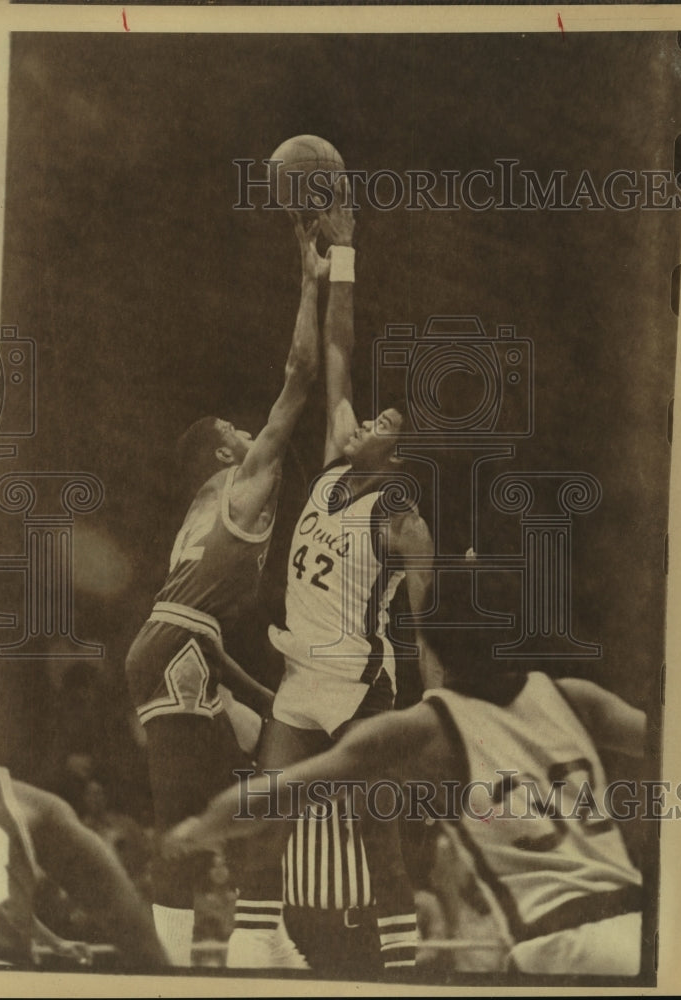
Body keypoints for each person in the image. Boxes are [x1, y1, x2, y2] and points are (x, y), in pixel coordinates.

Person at [165, 572, 647, 979]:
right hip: (642, 931)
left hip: (559, 947)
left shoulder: (424, 730)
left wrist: (199, 829)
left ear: (429, 647)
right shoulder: (577, 697)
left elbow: (272, 796)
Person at [226, 177, 438, 973]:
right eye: (371, 416)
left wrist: (429, 690)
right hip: (297, 675)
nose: (369, 419)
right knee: (265, 807)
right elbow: (339, 350)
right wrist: (336, 252)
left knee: (373, 826)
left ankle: (407, 965)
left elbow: (426, 611)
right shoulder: (327, 472)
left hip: (356, 686)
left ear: (396, 454)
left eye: (386, 424)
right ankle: (255, 946)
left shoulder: (397, 518)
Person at [124, 214, 326, 964]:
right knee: (179, 815)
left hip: (188, 649)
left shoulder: (198, 511)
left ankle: (262, 929)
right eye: (240, 431)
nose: (254, 434)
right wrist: (308, 284)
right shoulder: (240, 487)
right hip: (176, 649)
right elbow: (299, 377)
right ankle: (166, 964)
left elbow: (202, 630)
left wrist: (262, 696)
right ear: (221, 449)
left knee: (267, 770)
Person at [0, 765, 167, 970]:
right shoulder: (27, 804)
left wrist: (55, 942)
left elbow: (7, 906)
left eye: (99, 793)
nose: (96, 799)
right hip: (3, 967)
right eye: (91, 794)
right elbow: (128, 919)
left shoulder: (123, 826)